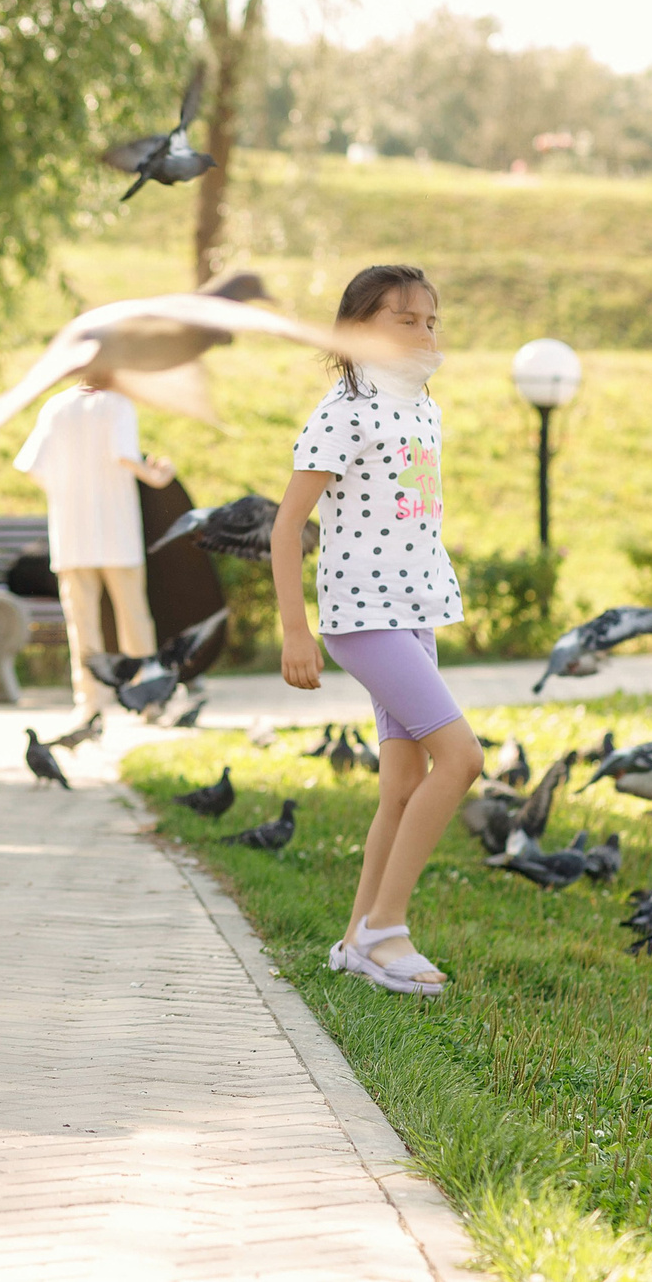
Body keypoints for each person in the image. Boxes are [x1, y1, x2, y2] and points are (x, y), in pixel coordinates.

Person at [270, 264, 471, 997]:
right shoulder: (343, 410)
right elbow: (288, 524)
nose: (423, 333)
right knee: (461, 758)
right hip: (362, 615)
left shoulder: (422, 406)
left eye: (430, 320)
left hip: (414, 609)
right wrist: (296, 630)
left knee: (405, 778)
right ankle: (390, 928)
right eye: (404, 319)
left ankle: (358, 936)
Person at [12, 385, 175, 716]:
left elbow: (32, 465)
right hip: (118, 531)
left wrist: (65, 489)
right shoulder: (117, 403)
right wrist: (158, 477)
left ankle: (89, 704)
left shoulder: (56, 407)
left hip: (72, 532)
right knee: (134, 620)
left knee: (82, 625)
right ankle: (147, 700)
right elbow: (125, 455)